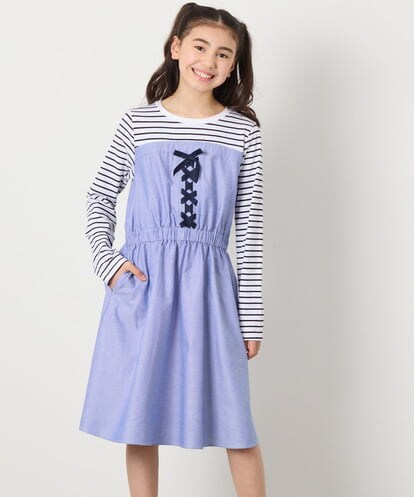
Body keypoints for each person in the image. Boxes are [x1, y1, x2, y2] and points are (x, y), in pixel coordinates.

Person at [78, 2, 266, 496]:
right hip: (145, 285)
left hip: (211, 290)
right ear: (177, 47)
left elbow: (250, 230)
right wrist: (110, 265)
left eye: (224, 54)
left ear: (234, 64)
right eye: (201, 46)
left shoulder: (242, 131)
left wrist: (251, 316)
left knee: (235, 420)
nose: (210, 61)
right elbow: (99, 197)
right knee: (140, 416)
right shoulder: (138, 124)